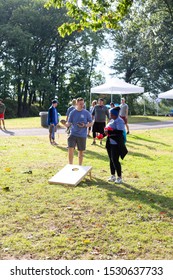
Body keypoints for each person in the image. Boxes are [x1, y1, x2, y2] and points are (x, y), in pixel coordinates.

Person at [62, 97, 93, 165]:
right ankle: (70, 165)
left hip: (82, 135)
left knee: (81, 152)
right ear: (76, 104)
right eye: (80, 104)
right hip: (73, 134)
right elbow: (68, 124)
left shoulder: (86, 113)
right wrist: (64, 123)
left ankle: (80, 166)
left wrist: (84, 125)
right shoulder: (72, 113)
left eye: (83, 104)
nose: (82, 105)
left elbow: (91, 123)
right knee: (70, 149)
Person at [102, 107, 128, 184]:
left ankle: (119, 177)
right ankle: (113, 175)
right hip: (110, 143)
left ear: (115, 114)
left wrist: (109, 131)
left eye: (111, 114)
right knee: (111, 159)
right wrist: (102, 135)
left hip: (116, 144)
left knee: (115, 160)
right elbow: (108, 131)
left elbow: (119, 132)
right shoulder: (112, 120)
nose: (110, 115)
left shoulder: (120, 121)